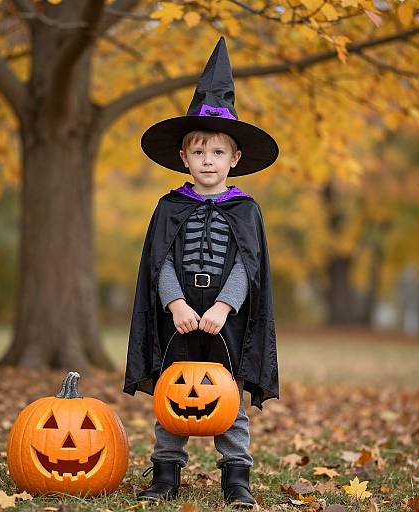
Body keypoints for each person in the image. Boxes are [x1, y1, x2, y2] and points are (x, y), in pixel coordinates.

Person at [123, 37, 280, 509]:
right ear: (184, 159)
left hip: (225, 318)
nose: (207, 161)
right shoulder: (170, 206)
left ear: (234, 159)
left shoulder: (246, 210)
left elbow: (247, 266)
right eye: (198, 152)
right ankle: (166, 472)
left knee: (224, 391)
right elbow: (160, 261)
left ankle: (236, 479)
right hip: (178, 316)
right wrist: (174, 303)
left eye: (217, 153)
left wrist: (222, 306)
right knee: (175, 389)